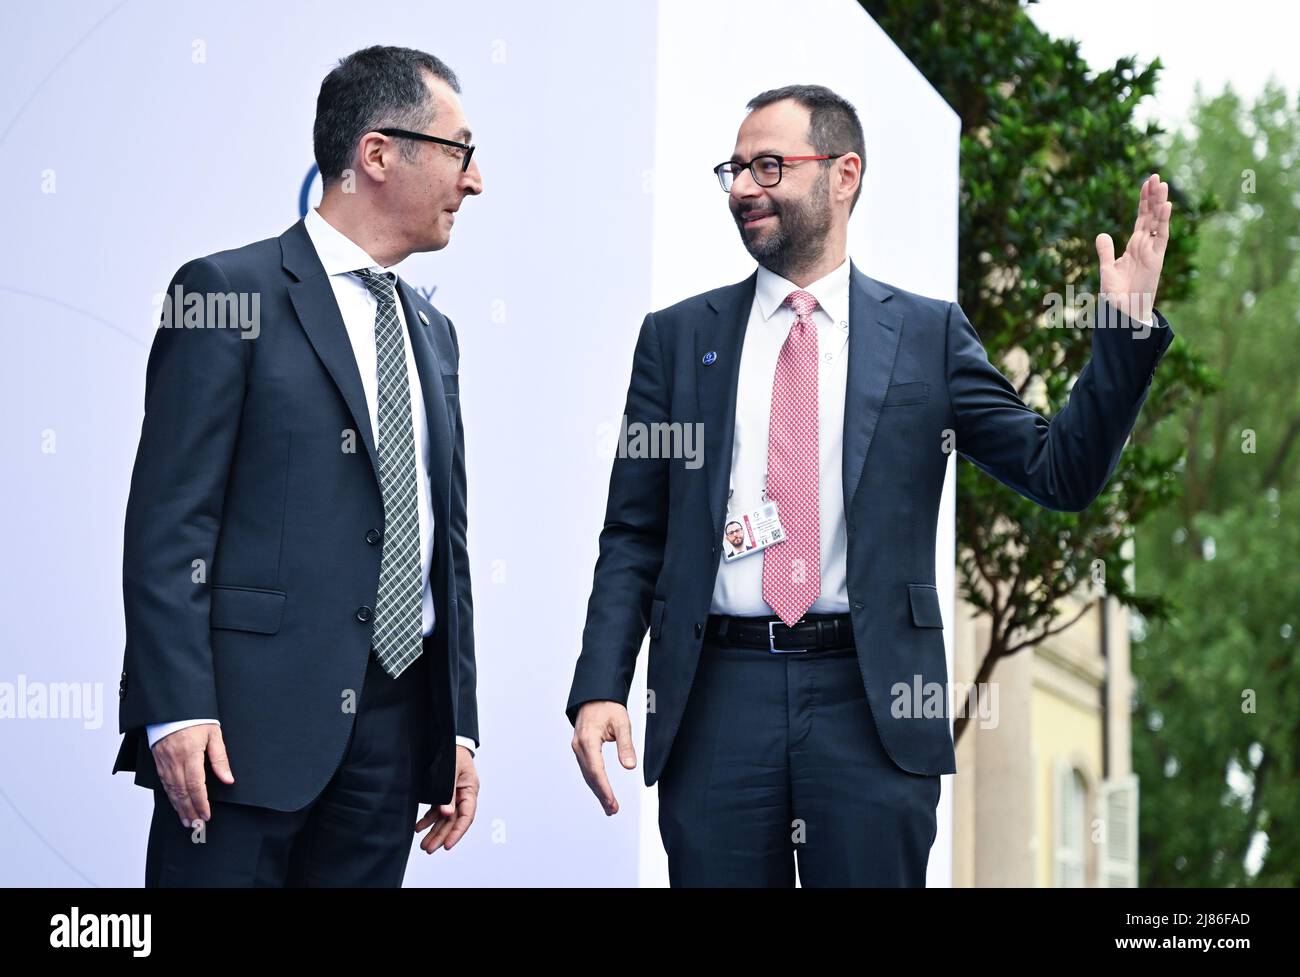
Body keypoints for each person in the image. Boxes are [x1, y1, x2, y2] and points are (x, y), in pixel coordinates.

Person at [567, 84, 1174, 887]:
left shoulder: (927, 335)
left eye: (770, 165)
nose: (745, 186)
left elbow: (1057, 471)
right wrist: (601, 682)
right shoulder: (678, 339)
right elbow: (634, 532)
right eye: (735, 169)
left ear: (844, 174)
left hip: (871, 702)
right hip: (719, 701)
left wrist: (1123, 333)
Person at [114, 45, 483, 887]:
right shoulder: (226, 291)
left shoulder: (434, 333)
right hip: (239, 739)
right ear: (379, 154)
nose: (474, 180)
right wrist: (175, 707)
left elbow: (444, 543)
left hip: (391, 739)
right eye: (461, 151)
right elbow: (171, 524)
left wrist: (456, 727)